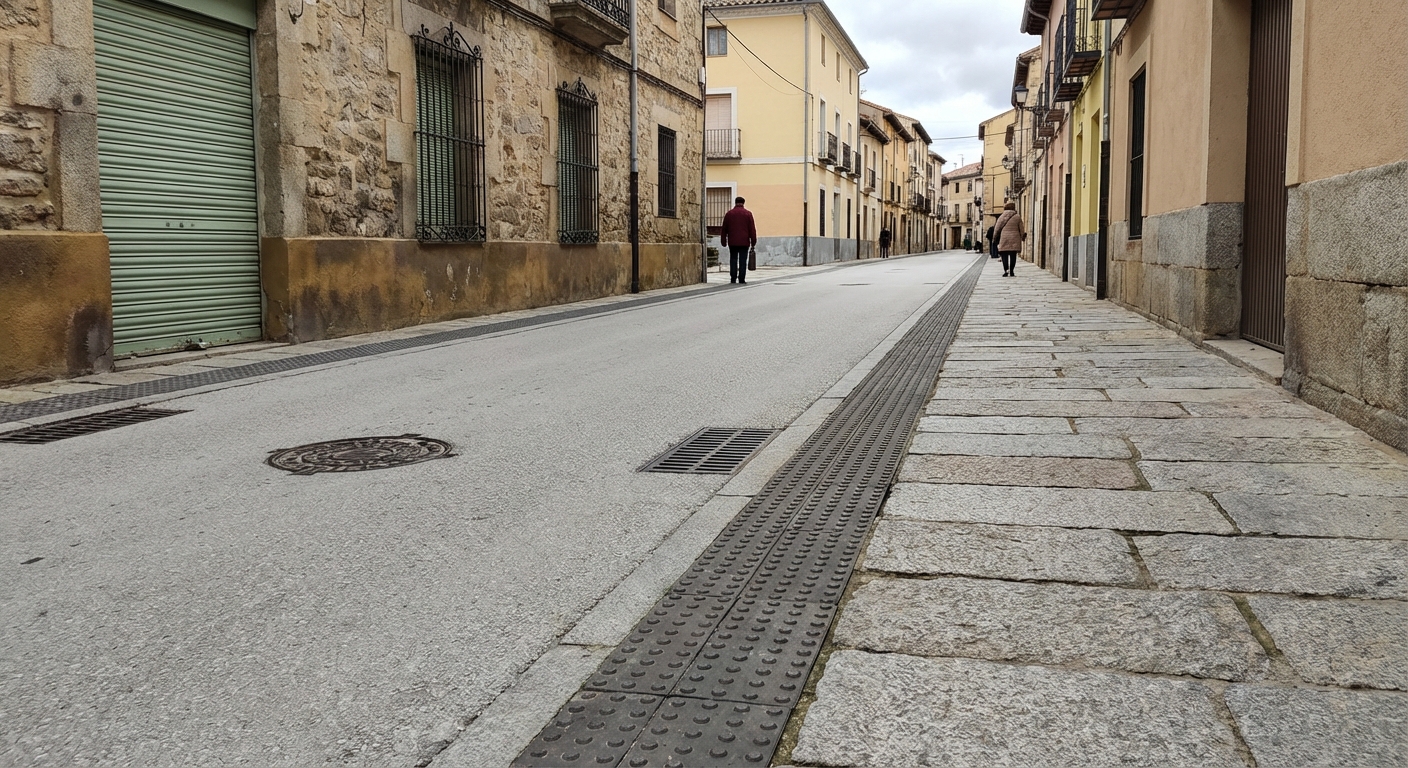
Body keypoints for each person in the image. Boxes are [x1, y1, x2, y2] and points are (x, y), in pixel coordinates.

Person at [720, 197, 757, 284]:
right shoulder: (748, 214)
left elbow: (724, 228)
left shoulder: (729, 214)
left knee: (733, 259)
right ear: (743, 203)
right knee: (743, 260)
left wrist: (723, 241)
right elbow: (752, 229)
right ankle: (741, 279)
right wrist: (753, 241)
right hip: (744, 242)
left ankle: (733, 278)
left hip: (732, 241)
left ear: (735, 202)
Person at [993, 202, 1026, 277]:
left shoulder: (1001, 216)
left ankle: (1006, 270)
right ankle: (1012, 271)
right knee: (1013, 255)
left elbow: (997, 228)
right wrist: (1022, 236)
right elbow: (1021, 228)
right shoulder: (1017, 217)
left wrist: (994, 238)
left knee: (1004, 255)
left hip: (1004, 238)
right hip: (1015, 238)